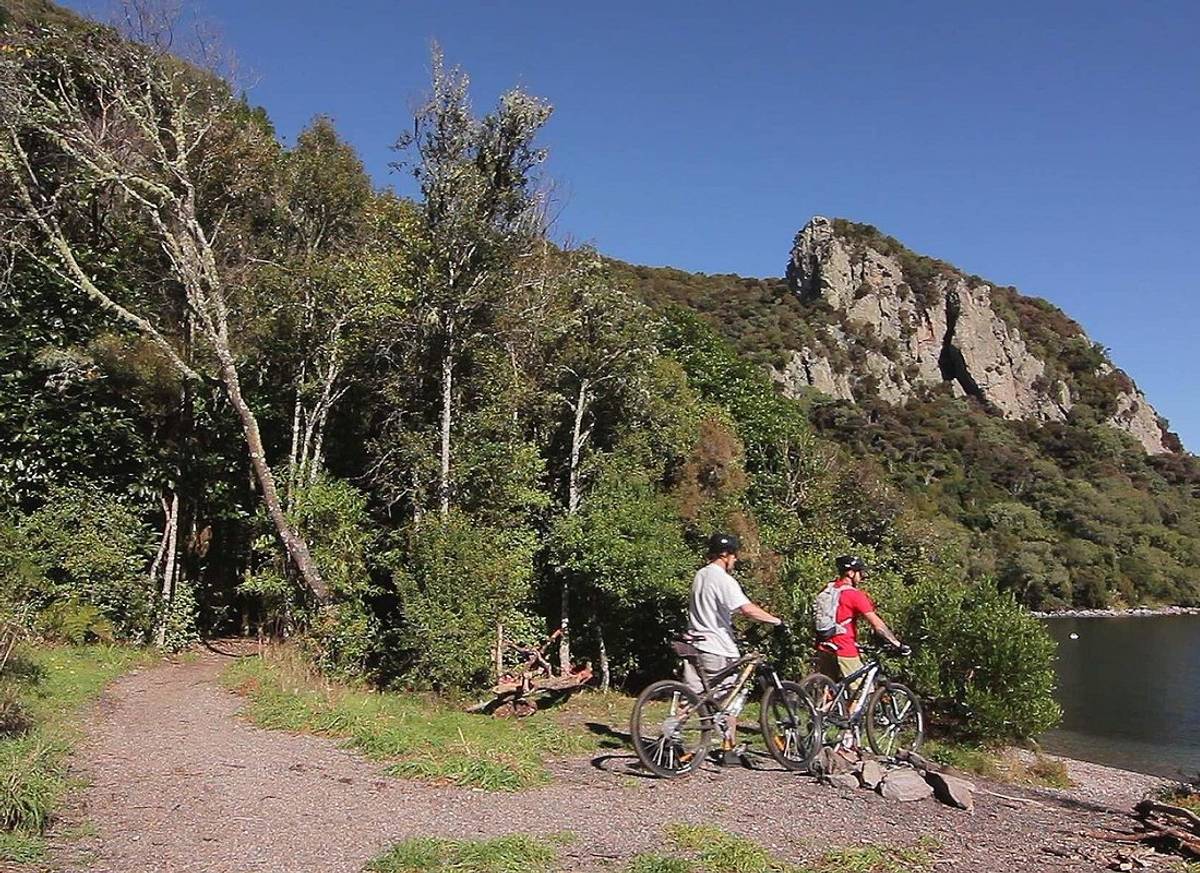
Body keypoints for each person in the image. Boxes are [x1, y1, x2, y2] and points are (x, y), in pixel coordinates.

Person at [684, 532, 784, 762]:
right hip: (718, 648)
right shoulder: (723, 579)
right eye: (735, 556)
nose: (736, 561)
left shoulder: (700, 575)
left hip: (695, 643)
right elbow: (746, 609)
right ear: (726, 555)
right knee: (729, 699)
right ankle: (729, 749)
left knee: (694, 697)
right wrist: (776, 621)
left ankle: (676, 738)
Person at [815, 555, 909, 702]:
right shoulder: (855, 595)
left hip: (824, 645)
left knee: (828, 687)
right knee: (862, 689)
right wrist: (897, 644)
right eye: (860, 572)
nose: (862, 576)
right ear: (851, 573)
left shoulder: (829, 589)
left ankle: (818, 718)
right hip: (844, 647)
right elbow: (877, 624)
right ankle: (849, 724)